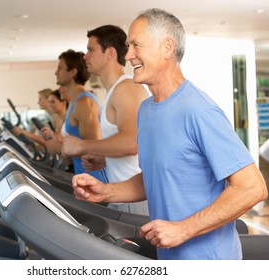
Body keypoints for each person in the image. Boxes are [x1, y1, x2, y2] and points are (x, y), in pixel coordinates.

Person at [72, 8, 268, 260]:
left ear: (167, 48)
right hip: (169, 257)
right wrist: (106, 191)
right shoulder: (146, 110)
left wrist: (183, 229)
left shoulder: (200, 111)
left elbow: (252, 188)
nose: (129, 54)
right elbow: (155, 177)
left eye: (135, 45)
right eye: (127, 46)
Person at [62, 25, 149, 216]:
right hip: (122, 195)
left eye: (91, 50)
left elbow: (131, 142)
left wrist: (82, 146)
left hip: (134, 198)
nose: (85, 56)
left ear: (110, 53)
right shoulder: (115, 91)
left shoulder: (126, 89)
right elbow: (133, 145)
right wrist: (106, 158)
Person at [48, 49, 108, 182]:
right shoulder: (75, 101)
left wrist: (60, 148)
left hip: (96, 179)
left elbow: (95, 149)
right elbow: (80, 144)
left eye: (60, 68)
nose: (56, 72)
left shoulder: (84, 103)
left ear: (73, 72)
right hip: (84, 176)